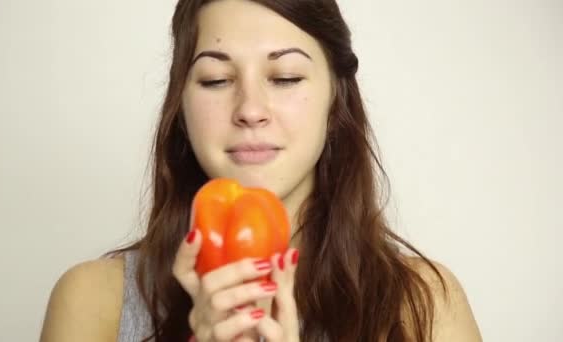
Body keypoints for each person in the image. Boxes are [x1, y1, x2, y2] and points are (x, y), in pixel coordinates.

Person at [39, 0, 482, 341]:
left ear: (336, 101)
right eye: (216, 80)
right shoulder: (95, 301)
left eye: (286, 77)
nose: (250, 110)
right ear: (181, 105)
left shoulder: (424, 301)